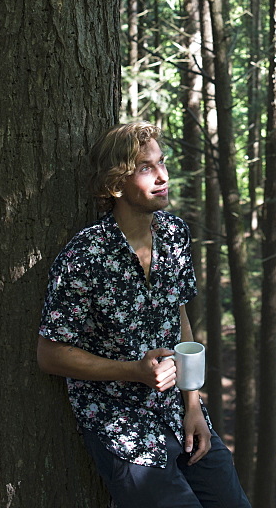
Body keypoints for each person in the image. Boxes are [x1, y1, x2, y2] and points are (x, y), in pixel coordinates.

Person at [37, 121, 251, 508]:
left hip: (179, 411)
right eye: (145, 168)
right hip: (119, 424)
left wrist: (194, 404)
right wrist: (134, 370)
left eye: (161, 163)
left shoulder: (174, 234)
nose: (162, 176)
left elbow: (179, 317)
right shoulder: (85, 255)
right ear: (115, 185)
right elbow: (50, 354)